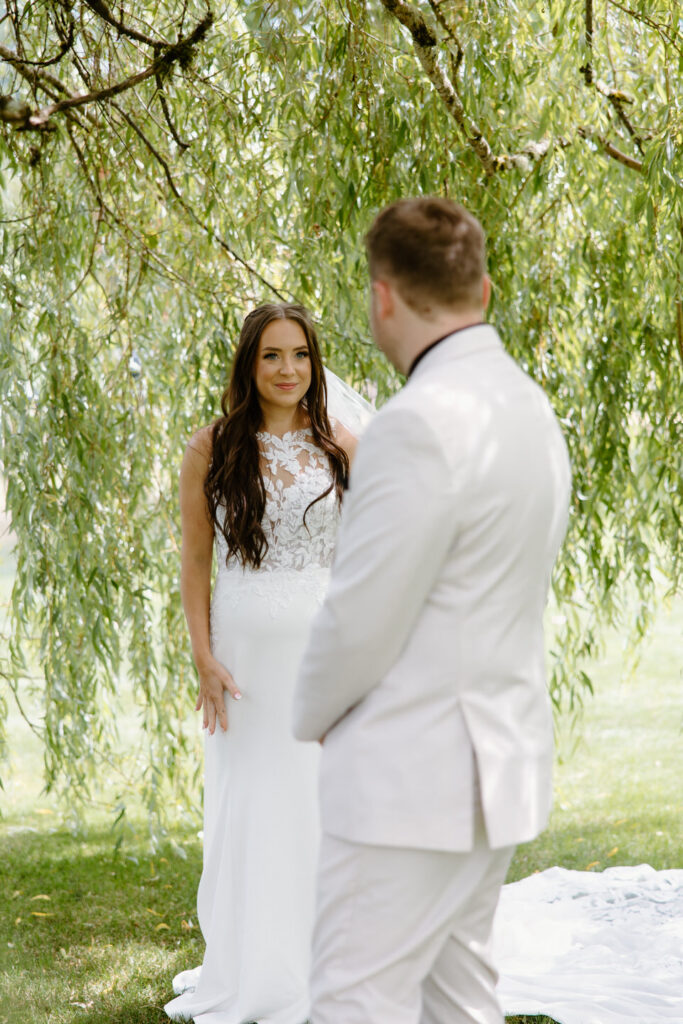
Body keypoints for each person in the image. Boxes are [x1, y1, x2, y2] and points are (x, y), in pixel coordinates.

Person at [293, 197, 572, 1024]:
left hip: (408, 778)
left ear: (382, 296)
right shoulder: (528, 409)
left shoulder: (414, 424)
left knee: (354, 1003)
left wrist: (305, 716)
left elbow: (358, 622)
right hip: (498, 769)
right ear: (480, 290)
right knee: (460, 1006)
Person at [165, 302, 359, 1024]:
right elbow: (193, 561)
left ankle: (324, 963)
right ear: (249, 364)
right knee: (253, 801)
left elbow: (366, 558)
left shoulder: (342, 444)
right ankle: (254, 966)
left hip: (320, 649)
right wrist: (203, 655)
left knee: (316, 800)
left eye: (300, 355)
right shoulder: (210, 447)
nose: (287, 370)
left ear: (315, 363)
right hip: (243, 652)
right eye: (272, 355)